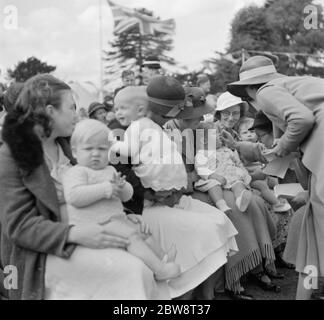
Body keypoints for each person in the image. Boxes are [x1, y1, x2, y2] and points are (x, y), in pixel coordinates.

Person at [0, 74, 170, 300]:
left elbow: (102, 187)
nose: (76, 114)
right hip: (42, 252)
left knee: (145, 257)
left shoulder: (69, 147)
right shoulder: (11, 156)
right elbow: (19, 227)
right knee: (132, 270)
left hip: (91, 228)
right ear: (50, 111)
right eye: (71, 107)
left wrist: (122, 215)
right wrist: (75, 233)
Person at [111, 78, 239, 299]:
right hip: (147, 206)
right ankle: (181, 293)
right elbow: (125, 173)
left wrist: (176, 189)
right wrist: (153, 193)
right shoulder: (134, 130)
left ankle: (205, 294)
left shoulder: (159, 128)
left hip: (172, 196)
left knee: (219, 220)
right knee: (203, 229)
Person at [166, 87, 281, 299]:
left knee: (253, 202)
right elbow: (179, 171)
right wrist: (203, 176)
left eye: (201, 114)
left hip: (214, 178)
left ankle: (255, 266)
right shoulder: (171, 131)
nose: (200, 118)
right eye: (195, 115)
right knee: (235, 208)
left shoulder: (205, 128)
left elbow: (226, 155)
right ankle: (234, 278)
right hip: (191, 188)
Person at [228, 54, 324, 300]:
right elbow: (280, 155)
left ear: (250, 88)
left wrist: (281, 145)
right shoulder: (300, 88)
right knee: (311, 247)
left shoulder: (266, 92)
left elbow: (299, 122)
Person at [63, 119, 181, 281]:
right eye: (88, 149)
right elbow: (74, 196)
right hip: (94, 223)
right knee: (131, 237)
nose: (96, 153)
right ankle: (160, 270)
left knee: (144, 232)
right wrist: (106, 188)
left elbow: (126, 196)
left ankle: (164, 258)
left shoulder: (110, 169)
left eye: (102, 149)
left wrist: (123, 187)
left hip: (115, 218)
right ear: (75, 152)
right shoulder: (77, 172)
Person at [111, 86, 188, 195]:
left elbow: (129, 150)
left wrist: (113, 143)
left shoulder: (136, 126)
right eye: (116, 109)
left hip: (156, 171)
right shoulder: (151, 124)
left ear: (140, 110)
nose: (118, 113)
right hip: (172, 170)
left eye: (123, 108)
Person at [194, 122, 253, 213]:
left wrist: (244, 172)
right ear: (204, 140)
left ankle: (240, 200)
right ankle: (221, 205)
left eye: (219, 133)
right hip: (215, 178)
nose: (219, 135)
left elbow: (238, 163)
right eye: (215, 133)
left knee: (238, 183)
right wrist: (213, 176)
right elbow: (201, 169)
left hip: (231, 176)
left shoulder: (226, 150)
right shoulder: (202, 153)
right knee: (212, 185)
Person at [237, 118, 291, 213]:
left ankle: (285, 198)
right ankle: (276, 204)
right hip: (252, 178)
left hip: (264, 174)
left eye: (252, 131)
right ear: (239, 136)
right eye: (244, 133)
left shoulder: (261, 145)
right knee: (262, 186)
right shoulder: (241, 149)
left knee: (276, 181)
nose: (249, 134)